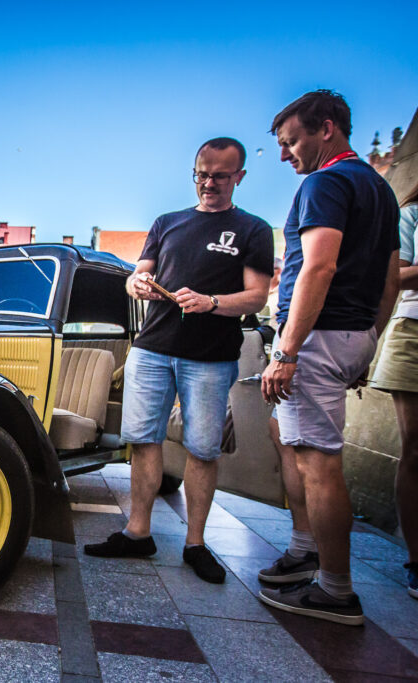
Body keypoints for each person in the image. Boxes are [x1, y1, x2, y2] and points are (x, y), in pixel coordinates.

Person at [84, 137, 274, 584]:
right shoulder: (167, 222)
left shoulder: (252, 229)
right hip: (151, 349)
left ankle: (196, 543)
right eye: (201, 174)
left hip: (209, 357)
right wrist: (138, 284)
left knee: (203, 448)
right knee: (143, 439)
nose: (208, 183)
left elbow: (256, 295)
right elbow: (138, 274)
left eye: (219, 176)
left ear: (239, 177)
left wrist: (210, 301)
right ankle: (137, 532)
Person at [258, 90, 400, 625]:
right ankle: (304, 548)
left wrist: (287, 352)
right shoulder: (379, 189)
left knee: (319, 464)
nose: (285, 155)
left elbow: (317, 268)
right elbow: (389, 276)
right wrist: (369, 339)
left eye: (291, 142)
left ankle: (335, 590)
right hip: (352, 332)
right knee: (286, 436)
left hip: (316, 337)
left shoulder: (326, 181)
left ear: (326, 130)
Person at [371, 182, 418, 599]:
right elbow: (395, 275)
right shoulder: (411, 213)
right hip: (414, 332)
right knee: (415, 449)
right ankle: (416, 560)